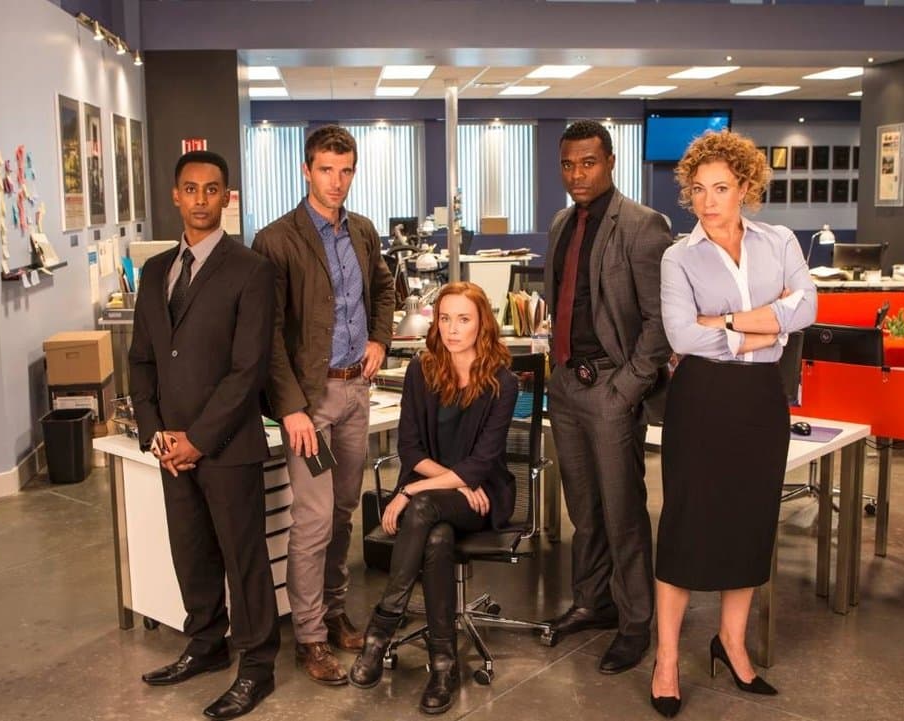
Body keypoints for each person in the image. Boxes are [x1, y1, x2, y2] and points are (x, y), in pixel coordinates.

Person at [649, 129, 817, 718]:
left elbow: (807, 307)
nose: (708, 200)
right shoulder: (679, 256)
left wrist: (725, 322)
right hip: (701, 397)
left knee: (750, 522)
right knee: (686, 523)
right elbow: (681, 335)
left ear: (745, 187)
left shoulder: (780, 241)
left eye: (720, 188)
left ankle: (732, 642)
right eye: (698, 189)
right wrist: (766, 328)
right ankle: (667, 660)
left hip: (760, 400)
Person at [128, 150, 279, 720]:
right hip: (171, 447)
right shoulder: (154, 271)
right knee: (191, 552)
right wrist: (155, 434)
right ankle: (207, 643)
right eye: (190, 189)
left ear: (226, 198)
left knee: (244, 559)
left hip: (227, 445)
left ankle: (257, 666)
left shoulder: (251, 270)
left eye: (211, 189)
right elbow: (142, 359)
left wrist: (198, 439)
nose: (200, 199)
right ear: (175, 195)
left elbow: (248, 370)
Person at [252, 125, 397, 685]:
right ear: (306, 171)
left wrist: (379, 338)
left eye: (346, 170)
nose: (336, 181)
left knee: (342, 513)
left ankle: (334, 612)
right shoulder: (276, 240)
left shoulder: (362, 230)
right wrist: (289, 408)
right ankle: (309, 636)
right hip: (309, 404)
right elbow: (267, 335)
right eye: (326, 170)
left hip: (356, 392)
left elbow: (382, 289)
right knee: (313, 520)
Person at [347, 282, 517, 715]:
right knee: (437, 537)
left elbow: (483, 462)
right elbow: (410, 450)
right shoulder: (421, 371)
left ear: (482, 324)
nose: (452, 329)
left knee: (422, 507)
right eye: (445, 319)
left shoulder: (504, 381)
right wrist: (452, 481)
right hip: (449, 492)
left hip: (480, 499)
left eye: (464, 319)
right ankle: (444, 664)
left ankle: (382, 627)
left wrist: (409, 490)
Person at [542, 120, 672, 674]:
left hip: (611, 386)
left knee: (622, 513)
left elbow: (660, 321)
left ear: (611, 162)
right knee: (584, 510)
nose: (577, 174)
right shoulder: (560, 224)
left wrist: (627, 387)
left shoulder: (643, 226)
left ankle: (636, 622)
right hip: (567, 384)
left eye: (588, 162)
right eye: (568, 164)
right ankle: (593, 601)